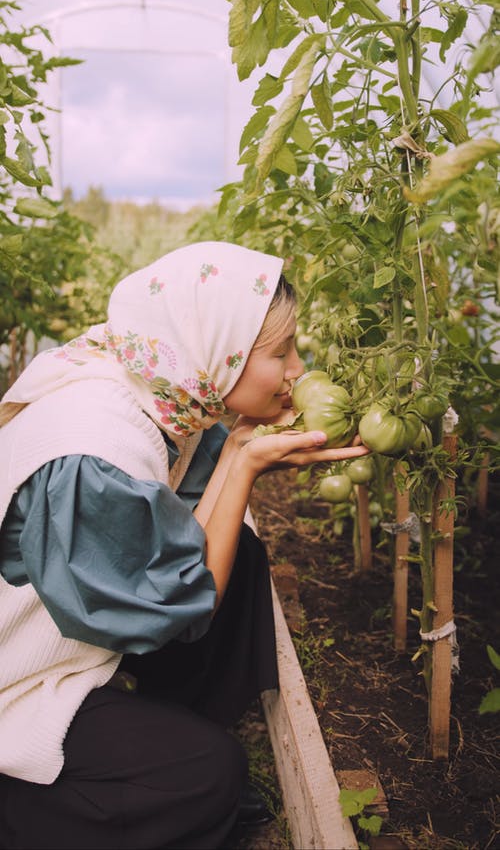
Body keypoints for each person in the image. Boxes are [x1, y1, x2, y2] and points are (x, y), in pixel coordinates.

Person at [0, 240, 368, 850]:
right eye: (281, 353)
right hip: (15, 683)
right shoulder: (94, 451)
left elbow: (177, 553)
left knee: (241, 557)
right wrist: (243, 463)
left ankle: (159, 730)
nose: (298, 371)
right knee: (208, 776)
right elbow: (171, 612)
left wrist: (238, 450)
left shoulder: (157, 395)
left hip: (66, 642)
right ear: (218, 354)